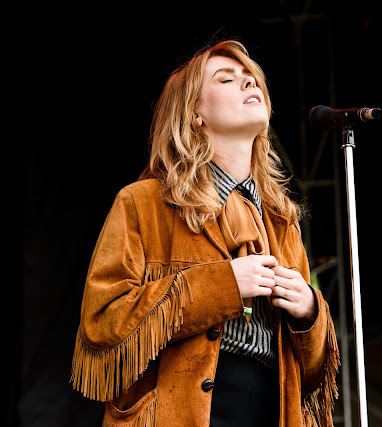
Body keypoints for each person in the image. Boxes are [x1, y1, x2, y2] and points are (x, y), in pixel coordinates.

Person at [70, 39, 339, 427]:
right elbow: (102, 322)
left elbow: (312, 377)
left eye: (252, 79)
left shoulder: (282, 221)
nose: (250, 84)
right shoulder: (144, 202)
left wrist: (310, 313)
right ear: (195, 113)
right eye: (227, 79)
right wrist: (222, 285)